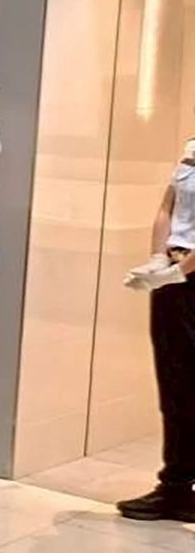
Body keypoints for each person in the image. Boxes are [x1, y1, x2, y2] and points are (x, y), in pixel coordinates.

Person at [116, 136, 195, 522]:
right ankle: (176, 485)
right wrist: (157, 259)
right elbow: (169, 205)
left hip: (187, 276)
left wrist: (179, 272)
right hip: (175, 273)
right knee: (175, 384)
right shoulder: (192, 148)